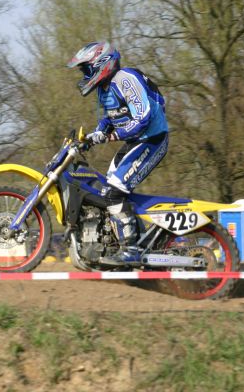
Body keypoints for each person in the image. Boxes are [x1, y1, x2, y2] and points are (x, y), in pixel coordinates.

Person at [67, 42, 169, 264]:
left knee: (114, 192)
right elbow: (109, 119)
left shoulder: (125, 79)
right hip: (135, 142)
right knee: (107, 191)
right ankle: (134, 240)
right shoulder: (104, 88)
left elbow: (143, 118)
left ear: (101, 63)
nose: (85, 75)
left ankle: (131, 250)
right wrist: (93, 137)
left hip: (152, 140)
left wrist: (110, 136)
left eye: (86, 69)